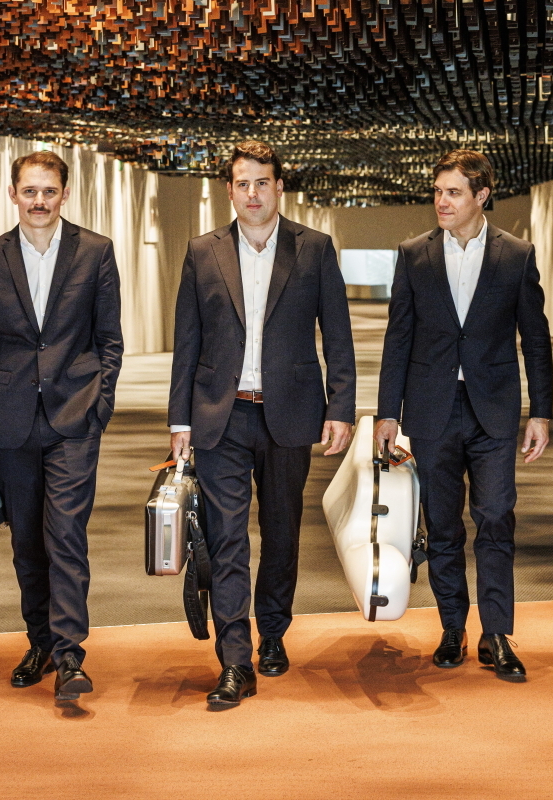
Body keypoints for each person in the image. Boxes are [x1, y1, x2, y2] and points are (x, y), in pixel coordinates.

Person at [169, 140, 356, 708]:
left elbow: (338, 335)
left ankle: (272, 630)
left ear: (279, 187)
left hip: (290, 413)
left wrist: (341, 408)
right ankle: (235, 659)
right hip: (220, 416)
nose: (253, 193)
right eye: (243, 183)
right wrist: (179, 420)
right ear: (230, 190)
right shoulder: (203, 252)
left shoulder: (314, 248)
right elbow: (187, 342)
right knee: (226, 538)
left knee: (281, 532)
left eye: (262, 183)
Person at [375, 149, 553, 681]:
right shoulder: (414, 254)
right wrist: (387, 413)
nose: (442, 201)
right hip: (431, 410)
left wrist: (541, 412)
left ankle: (496, 633)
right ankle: (452, 626)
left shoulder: (516, 255)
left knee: (496, 517)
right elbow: (398, 338)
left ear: (482, 196)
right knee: (444, 526)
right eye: (438, 191)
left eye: (453, 192)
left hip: (493, 410)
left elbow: (536, 339)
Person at [0, 150, 123, 701]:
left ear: (64, 195)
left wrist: (99, 407)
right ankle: (41, 642)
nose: (39, 201)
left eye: (49, 191)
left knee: (66, 536)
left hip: (75, 418)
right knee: (27, 541)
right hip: (11, 422)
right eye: (29, 191)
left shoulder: (95, 251)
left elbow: (110, 340)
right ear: (13, 194)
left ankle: (72, 654)